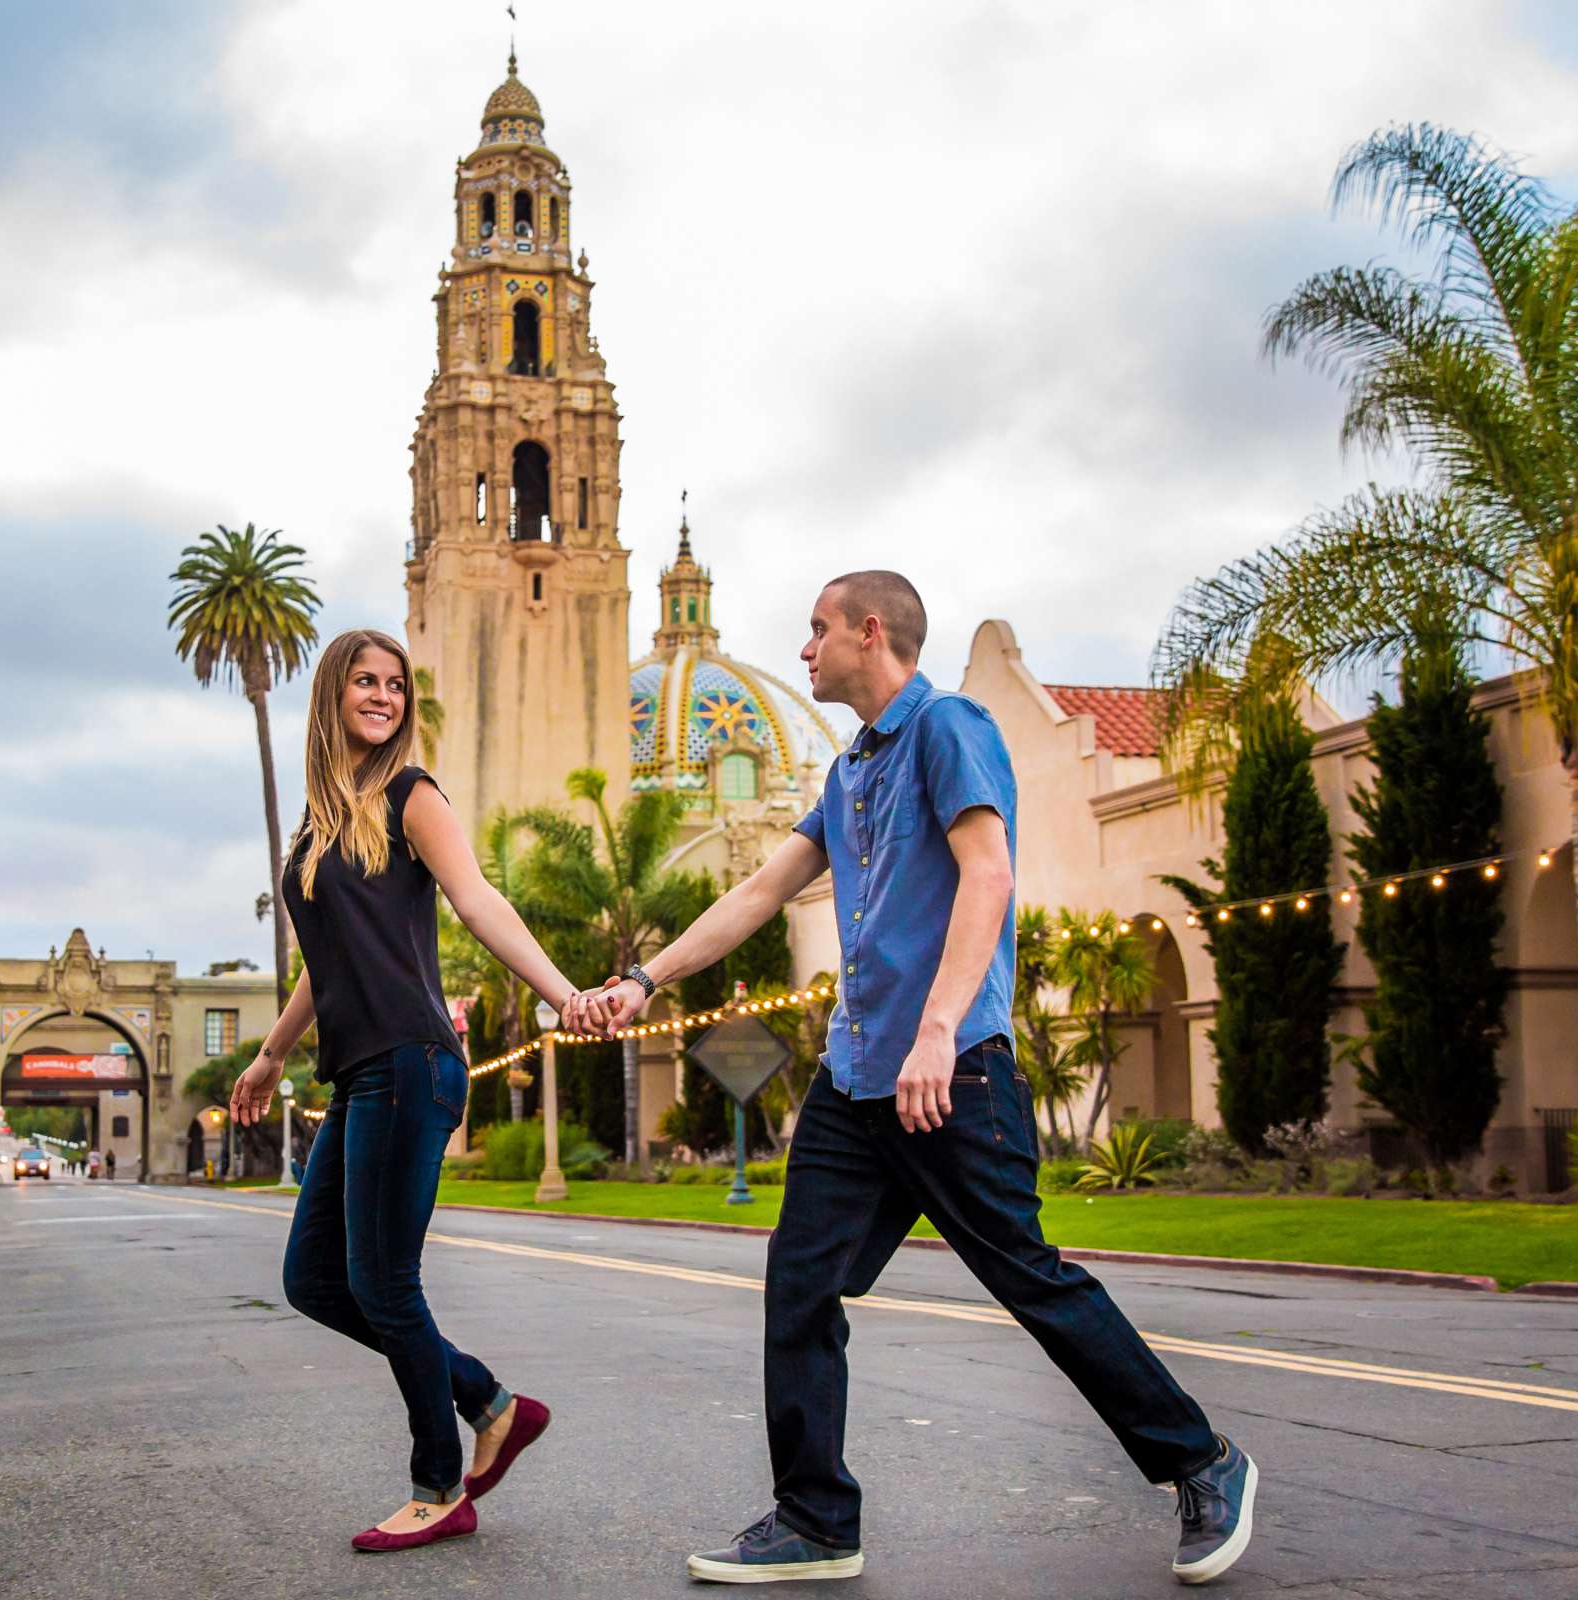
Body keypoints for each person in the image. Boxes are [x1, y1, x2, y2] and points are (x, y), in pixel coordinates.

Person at [581, 571, 1256, 1586]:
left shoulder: (950, 726)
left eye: (817, 631)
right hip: (856, 1080)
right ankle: (815, 1517)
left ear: (870, 630)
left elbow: (987, 873)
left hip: (948, 1073)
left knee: (1029, 1279)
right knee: (801, 1282)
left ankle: (1203, 1463)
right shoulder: (849, 771)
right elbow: (763, 890)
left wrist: (940, 1028)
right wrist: (644, 977)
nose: (804, 651)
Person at [230, 627, 573, 1555]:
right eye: (364, 681)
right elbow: (324, 968)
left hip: (414, 1062)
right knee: (314, 1280)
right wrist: (268, 1057)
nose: (382, 696)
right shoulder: (319, 825)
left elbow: (479, 901)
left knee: (383, 1283)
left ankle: (439, 1484)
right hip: (361, 1073)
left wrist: (563, 993)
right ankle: (489, 1403)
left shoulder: (411, 795)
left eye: (395, 684)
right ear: (332, 696)